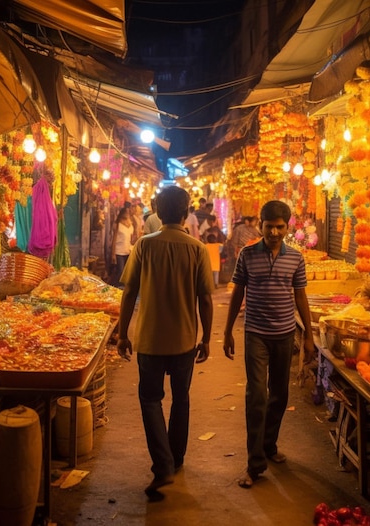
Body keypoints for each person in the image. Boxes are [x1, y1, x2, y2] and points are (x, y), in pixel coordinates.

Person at [117, 185, 215, 500]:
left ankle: (163, 465)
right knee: (181, 399)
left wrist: (122, 333)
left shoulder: (144, 246)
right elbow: (206, 299)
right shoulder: (197, 248)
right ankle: (177, 458)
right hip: (185, 339)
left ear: (158, 212)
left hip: (150, 340)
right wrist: (207, 338)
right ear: (186, 212)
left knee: (150, 400)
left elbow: (129, 292)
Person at [222, 200, 315, 489]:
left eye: (280, 227)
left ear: (287, 228)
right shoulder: (247, 255)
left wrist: (309, 335)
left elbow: (300, 296)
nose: (274, 232)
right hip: (256, 334)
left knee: (280, 395)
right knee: (256, 397)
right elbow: (238, 293)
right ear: (260, 225)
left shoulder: (296, 258)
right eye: (269, 226)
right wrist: (227, 332)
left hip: (285, 334)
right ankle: (255, 463)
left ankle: (270, 445)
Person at [110, 206, 134, 286]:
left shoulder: (130, 224)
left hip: (128, 251)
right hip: (119, 252)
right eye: (126, 212)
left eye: (128, 212)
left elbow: (131, 239)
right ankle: (116, 286)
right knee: (120, 271)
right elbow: (114, 240)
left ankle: (121, 289)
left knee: (126, 272)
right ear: (122, 213)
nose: (127, 214)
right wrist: (113, 254)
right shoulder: (118, 224)